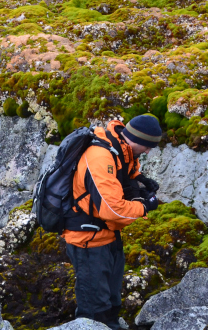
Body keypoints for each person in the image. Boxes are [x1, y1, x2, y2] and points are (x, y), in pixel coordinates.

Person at [62, 114, 163, 328]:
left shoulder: (122, 149)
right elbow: (112, 210)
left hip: (107, 234)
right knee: (94, 309)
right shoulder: (100, 156)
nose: (147, 152)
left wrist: (139, 183)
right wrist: (144, 206)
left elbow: (127, 175)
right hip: (87, 238)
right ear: (137, 139)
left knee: (112, 302)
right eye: (147, 146)